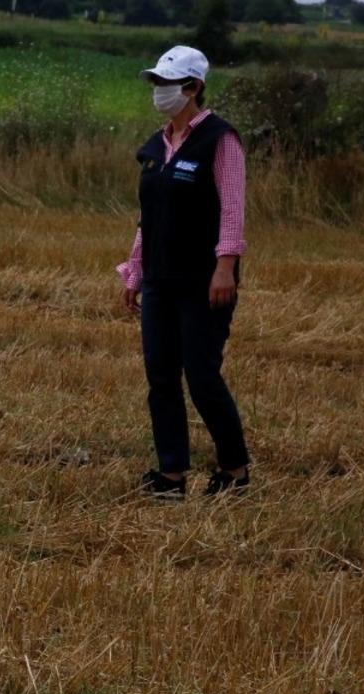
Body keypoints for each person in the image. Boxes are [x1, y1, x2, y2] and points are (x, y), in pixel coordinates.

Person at [116, 46, 251, 499]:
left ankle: (234, 470)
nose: (159, 90)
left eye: (167, 83)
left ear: (193, 87)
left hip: (203, 281)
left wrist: (225, 267)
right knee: (161, 378)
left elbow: (232, 209)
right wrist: (135, 270)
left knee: (202, 377)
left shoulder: (220, 139)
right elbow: (148, 216)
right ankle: (171, 476)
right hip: (159, 279)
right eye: (156, 82)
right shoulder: (157, 147)